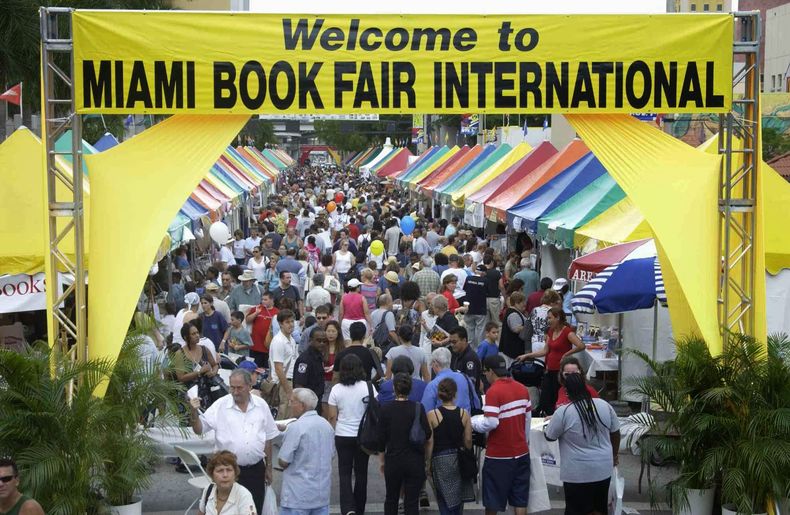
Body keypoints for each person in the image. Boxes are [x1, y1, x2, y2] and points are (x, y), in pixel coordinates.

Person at [190, 368, 280, 512]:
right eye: (232, 387)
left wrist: (269, 467)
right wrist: (193, 412)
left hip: (255, 471)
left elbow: (268, 438)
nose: (235, 392)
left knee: (254, 508)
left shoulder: (261, 405)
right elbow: (199, 429)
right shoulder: (221, 405)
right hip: (228, 472)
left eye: (239, 388)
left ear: (250, 387)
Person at [545, 373, 621, 515]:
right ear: (586, 387)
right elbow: (616, 433)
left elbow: (550, 436)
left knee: (575, 510)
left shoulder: (564, 412)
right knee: (599, 508)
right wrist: (614, 455)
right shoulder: (604, 405)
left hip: (576, 473)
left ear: (566, 391)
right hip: (603, 468)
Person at [472, 355, 532, 515]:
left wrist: (474, 422)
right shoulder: (522, 388)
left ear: (491, 371)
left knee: (492, 500)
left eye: (485, 372)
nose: (485, 376)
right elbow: (527, 421)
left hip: (499, 456)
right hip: (521, 453)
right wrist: (524, 443)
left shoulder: (494, 391)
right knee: (520, 499)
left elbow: (492, 422)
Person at [377, 373, 431, 515]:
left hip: (393, 459)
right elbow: (428, 434)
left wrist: (382, 461)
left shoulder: (386, 409)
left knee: (391, 499)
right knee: (412, 501)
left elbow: (381, 439)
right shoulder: (418, 408)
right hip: (414, 460)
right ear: (410, 389)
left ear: (394, 389)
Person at [327, 355, 374, 515]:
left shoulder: (336, 389)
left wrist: (332, 436)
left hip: (342, 434)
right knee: (362, 473)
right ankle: (359, 508)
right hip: (364, 436)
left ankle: (348, 509)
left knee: (344, 473)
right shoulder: (368, 387)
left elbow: (332, 417)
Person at [518, 307, 585, 416]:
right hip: (550, 369)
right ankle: (544, 415)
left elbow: (581, 345)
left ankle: (555, 417)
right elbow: (545, 351)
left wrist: (567, 354)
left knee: (555, 397)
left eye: (550, 318)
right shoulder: (550, 331)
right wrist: (527, 355)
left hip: (560, 371)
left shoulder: (567, 332)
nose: (548, 320)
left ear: (557, 318)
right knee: (545, 396)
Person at [278, 389, 335, 515]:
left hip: (297, 496)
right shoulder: (326, 425)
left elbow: (284, 461)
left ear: (302, 405)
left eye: (292, 401)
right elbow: (331, 455)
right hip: (321, 494)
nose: (289, 405)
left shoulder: (296, 427)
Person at [425, 379, 474, 515]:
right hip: (458, 457)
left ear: (439, 395)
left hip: (440, 459)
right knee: (458, 496)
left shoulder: (432, 415)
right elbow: (468, 440)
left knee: (443, 496)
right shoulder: (464, 413)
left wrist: (428, 463)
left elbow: (430, 442)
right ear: (455, 394)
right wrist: (467, 451)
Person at [197, 451, 257, 515]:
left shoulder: (244, 495)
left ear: (235, 473)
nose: (225, 475)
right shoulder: (208, 490)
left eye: (229, 470)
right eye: (220, 470)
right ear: (212, 475)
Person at [422, 348, 479, 413]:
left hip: (443, 422)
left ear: (435, 363)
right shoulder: (464, 378)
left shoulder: (433, 385)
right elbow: (476, 402)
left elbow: (426, 411)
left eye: (431, 363)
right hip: (465, 420)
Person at [269, 309, 299, 419]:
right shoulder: (278, 341)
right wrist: (288, 390)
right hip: (283, 382)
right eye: (287, 322)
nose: (291, 324)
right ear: (281, 324)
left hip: (290, 380)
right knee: (283, 415)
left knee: (289, 414)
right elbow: (278, 369)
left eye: (292, 321)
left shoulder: (291, 339)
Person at [293, 328, 328, 415]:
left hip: (317, 400)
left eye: (324, 341)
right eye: (319, 341)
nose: (322, 343)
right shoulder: (305, 359)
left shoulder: (319, 357)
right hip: (307, 405)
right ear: (310, 340)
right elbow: (299, 385)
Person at [174, 322, 219, 389]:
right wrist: (199, 372)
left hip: (206, 390)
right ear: (185, 337)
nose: (197, 335)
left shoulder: (204, 349)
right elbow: (181, 377)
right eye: (193, 334)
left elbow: (215, 365)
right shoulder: (180, 354)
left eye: (197, 332)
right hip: (190, 393)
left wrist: (213, 372)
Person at [245, 291, 278, 368]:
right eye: (262, 299)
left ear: (272, 300)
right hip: (255, 345)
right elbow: (247, 320)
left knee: (266, 368)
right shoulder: (257, 308)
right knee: (255, 367)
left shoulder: (277, 312)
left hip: (268, 346)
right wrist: (256, 313)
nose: (263, 301)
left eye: (265, 299)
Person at [463, 264, 489, 348]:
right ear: (484, 273)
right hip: (480, 309)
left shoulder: (468, 278)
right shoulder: (485, 280)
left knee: (469, 330)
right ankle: (479, 350)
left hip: (468, 308)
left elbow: (465, 289)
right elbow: (488, 292)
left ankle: (470, 349)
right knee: (480, 331)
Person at [449, 326, 482, 391]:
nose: (452, 345)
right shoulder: (457, 354)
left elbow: (471, 384)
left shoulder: (470, 358)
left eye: (454, 342)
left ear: (464, 340)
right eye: (450, 342)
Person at [499, 292, 528, 360]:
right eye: (523, 302)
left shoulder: (514, 312)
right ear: (516, 303)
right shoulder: (514, 314)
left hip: (512, 350)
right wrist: (529, 327)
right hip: (512, 352)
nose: (524, 304)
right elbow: (516, 329)